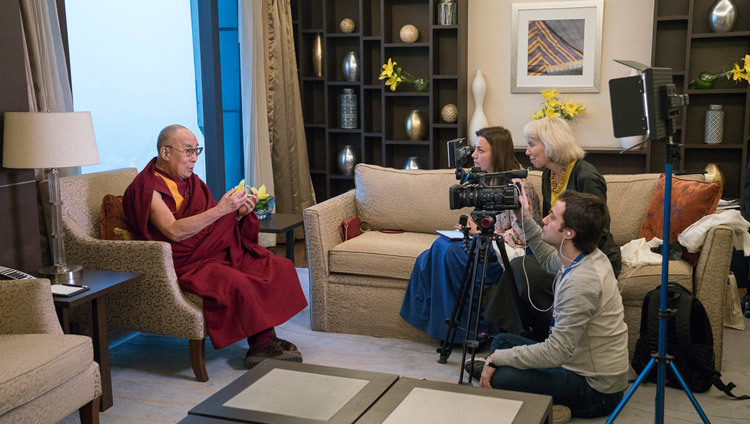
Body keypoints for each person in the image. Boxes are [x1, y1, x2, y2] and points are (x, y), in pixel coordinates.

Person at [122, 124, 307, 368]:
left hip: (207, 249)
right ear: (165, 153)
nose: (194, 159)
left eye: (196, 151)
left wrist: (237, 215)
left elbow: (211, 222)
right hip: (181, 261)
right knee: (237, 281)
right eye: (188, 151)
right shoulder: (147, 189)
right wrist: (222, 210)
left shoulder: (191, 183)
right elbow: (174, 232)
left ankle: (265, 338)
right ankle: (261, 344)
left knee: (274, 265)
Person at [475, 189, 629, 421]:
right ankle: (538, 398)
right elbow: (548, 260)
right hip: (574, 365)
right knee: (501, 342)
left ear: (569, 233)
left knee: (501, 374)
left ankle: (550, 409)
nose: (545, 220)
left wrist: (496, 360)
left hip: (597, 391)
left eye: (553, 217)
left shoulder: (582, 281)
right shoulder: (584, 255)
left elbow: (556, 352)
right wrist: (524, 219)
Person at [484, 117, 621, 341]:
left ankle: (511, 336)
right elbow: (550, 223)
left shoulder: (586, 176)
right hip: (562, 252)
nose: (526, 151)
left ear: (550, 144)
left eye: (531, 144)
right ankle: (512, 335)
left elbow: (598, 232)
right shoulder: (550, 173)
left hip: (587, 257)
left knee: (521, 267)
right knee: (517, 265)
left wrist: (562, 261)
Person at [399, 126, 542, 340]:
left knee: (449, 252)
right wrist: (471, 227)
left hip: (513, 251)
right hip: (490, 241)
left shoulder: (518, 184)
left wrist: (486, 232)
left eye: (480, 151)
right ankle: (448, 330)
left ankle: (467, 332)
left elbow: (523, 235)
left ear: (498, 153)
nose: (474, 156)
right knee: (437, 249)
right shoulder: (487, 179)